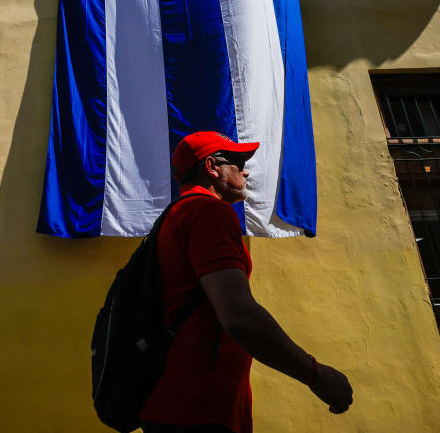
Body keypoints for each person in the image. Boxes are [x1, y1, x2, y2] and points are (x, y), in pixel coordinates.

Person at [138, 132, 354, 433]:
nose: (246, 170)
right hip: (198, 410)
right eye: (238, 161)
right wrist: (315, 375)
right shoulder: (208, 213)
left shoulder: (176, 215)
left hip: (175, 404)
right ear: (212, 167)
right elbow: (239, 316)